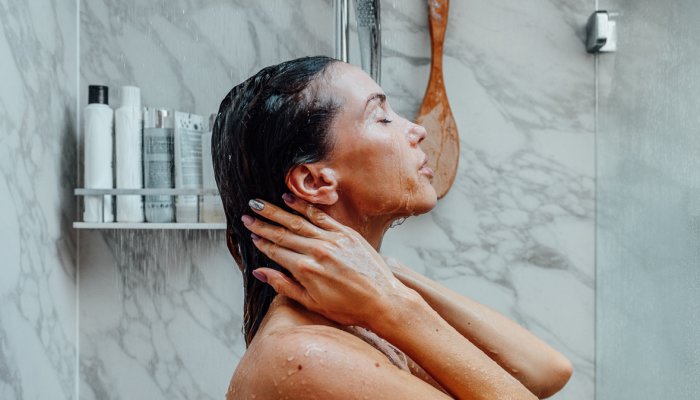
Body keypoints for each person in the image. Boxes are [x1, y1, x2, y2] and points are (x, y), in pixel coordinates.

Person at [212, 56, 572, 399]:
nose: (418, 130)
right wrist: (393, 304)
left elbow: (547, 371)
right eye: (381, 117)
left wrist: (384, 274)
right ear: (314, 181)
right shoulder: (308, 356)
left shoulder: (357, 310)